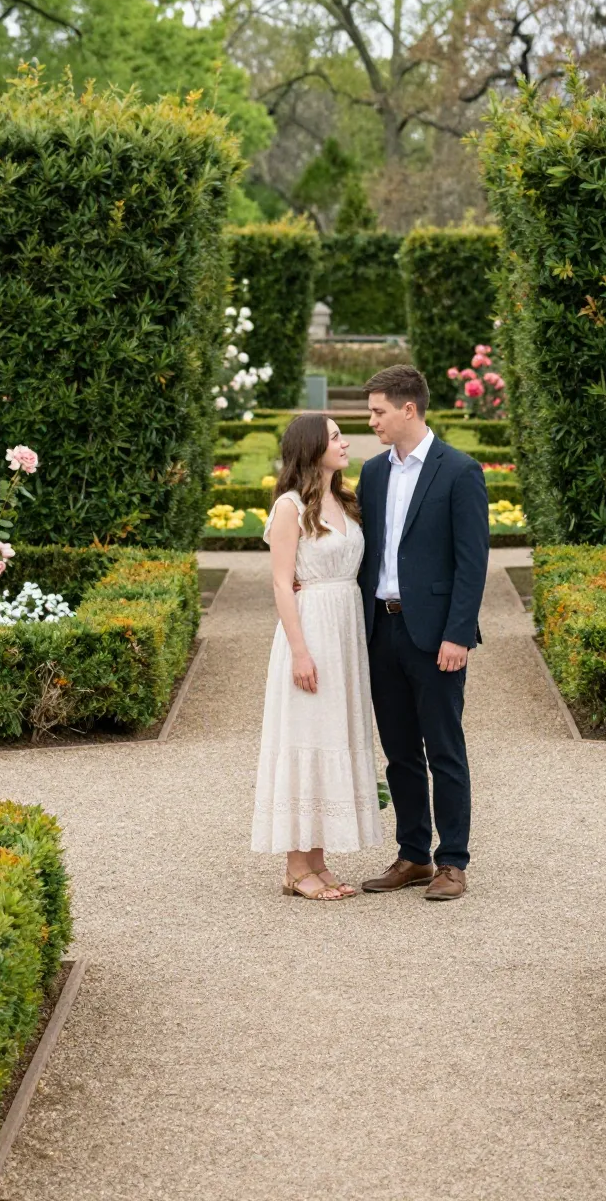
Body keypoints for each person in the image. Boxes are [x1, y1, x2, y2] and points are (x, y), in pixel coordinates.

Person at [355, 365, 488, 901]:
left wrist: (458, 635)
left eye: (378, 411)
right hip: (381, 631)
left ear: (408, 408)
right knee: (400, 753)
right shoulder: (373, 473)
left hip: (436, 638)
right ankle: (412, 855)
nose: (371, 422)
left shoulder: (459, 471)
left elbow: (471, 562)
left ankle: (452, 862)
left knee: (445, 750)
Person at [252, 414, 383, 900]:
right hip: (309, 632)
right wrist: (301, 651)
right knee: (306, 734)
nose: (345, 442)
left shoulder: (345, 501)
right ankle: (294, 867)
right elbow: (282, 583)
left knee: (334, 731)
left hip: (345, 629)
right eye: (334, 437)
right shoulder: (289, 507)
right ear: (311, 447)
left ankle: (319, 861)